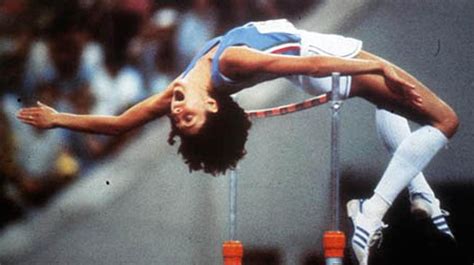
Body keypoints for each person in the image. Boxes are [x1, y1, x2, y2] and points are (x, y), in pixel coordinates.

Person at [16, 19, 459, 265]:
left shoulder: (181, 84)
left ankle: (421, 195)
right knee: (444, 121)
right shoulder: (232, 61)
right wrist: (377, 68)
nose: (176, 110)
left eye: (177, 118)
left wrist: (59, 119)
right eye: (188, 117)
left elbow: (116, 124)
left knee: (395, 108)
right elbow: (313, 65)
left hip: (316, 58)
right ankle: (370, 213)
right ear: (210, 107)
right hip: (322, 57)